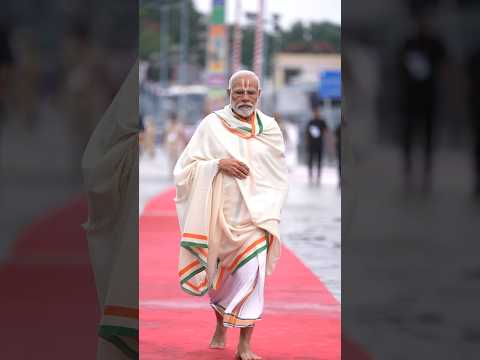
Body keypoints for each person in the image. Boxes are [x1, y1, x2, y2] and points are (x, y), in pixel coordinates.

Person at [174, 70, 288, 360]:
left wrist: (271, 208)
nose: (245, 97)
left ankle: (245, 345)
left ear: (259, 95)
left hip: (258, 218)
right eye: (239, 92)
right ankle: (220, 327)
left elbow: (278, 174)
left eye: (251, 92)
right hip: (220, 216)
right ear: (229, 94)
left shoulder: (271, 129)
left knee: (253, 276)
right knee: (221, 282)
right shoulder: (211, 126)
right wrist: (216, 165)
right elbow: (184, 169)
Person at [305, 107, 328, 186]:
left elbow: (326, 132)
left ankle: (318, 176)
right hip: (312, 145)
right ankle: (310, 176)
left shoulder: (322, 122)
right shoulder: (311, 122)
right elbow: (307, 133)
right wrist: (307, 142)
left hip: (319, 144)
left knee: (319, 161)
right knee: (311, 160)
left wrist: (327, 142)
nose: (317, 114)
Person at [164, 113, 187, 177]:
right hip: (170, 144)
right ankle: (171, 172)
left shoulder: (179, 125)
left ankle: (176, 172)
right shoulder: (168, 125)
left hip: (177, 145)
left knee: (177, 159)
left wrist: (184, 143)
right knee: (171, 159)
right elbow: (166, 134)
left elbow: (182, 134)